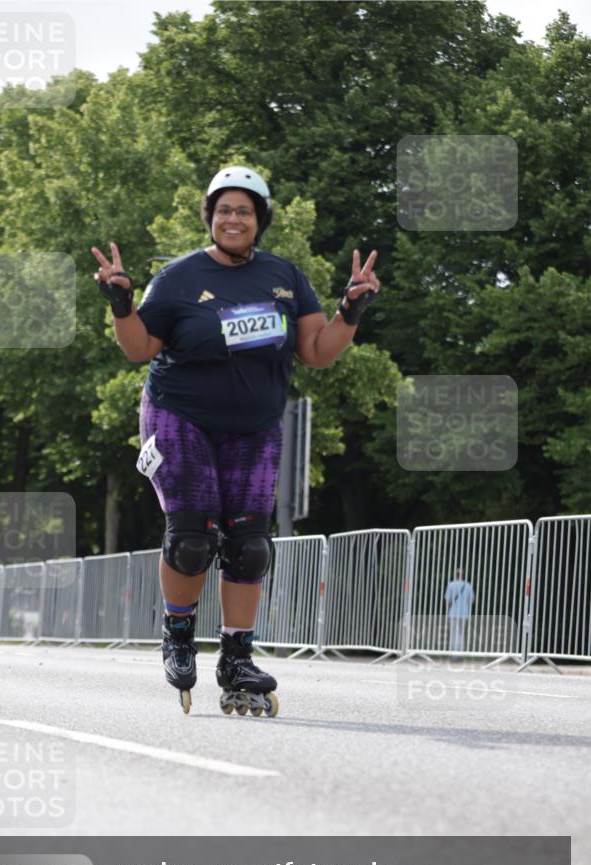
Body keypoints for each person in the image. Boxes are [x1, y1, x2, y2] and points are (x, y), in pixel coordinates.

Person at [91, 166, 380, 714]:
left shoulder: (285, 277)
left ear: (259, 220)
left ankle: (237, 658)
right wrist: (122, 305)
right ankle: (179, 634)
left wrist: (351, 311)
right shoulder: (178, 278)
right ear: (211, 216)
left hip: (253, 426)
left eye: (244, 211)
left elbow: (317, 352)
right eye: (223, 209)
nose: (233, 219)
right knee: (192, 537)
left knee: (249, 546)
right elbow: (138, 349)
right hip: (179, 416)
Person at [444, 567, 475, 652]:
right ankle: (461, 651)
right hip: (464, 613)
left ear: (455, 575)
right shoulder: (468, 585)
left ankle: (454, 653)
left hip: (453, 613)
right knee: (461, 633)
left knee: (454, 633)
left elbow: (447, 600)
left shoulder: (451, 585)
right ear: (463, 575)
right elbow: (472, 600)